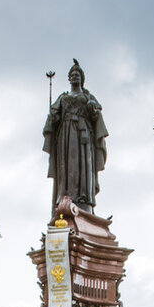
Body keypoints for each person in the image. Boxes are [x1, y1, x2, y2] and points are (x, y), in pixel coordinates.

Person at [43, 59, 108, 212]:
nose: (74, 76)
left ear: (82, 78)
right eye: (72, 74)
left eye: (77, 74)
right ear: (69, 78)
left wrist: (94, 110)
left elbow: (96, 117)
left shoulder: (88, 97)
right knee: (66, 167)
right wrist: (53, 118)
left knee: (83, 166)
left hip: (83, 136)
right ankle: (65, 197)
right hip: (65, 136)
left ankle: (83, 199)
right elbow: (54, 118)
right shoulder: (62, 98)